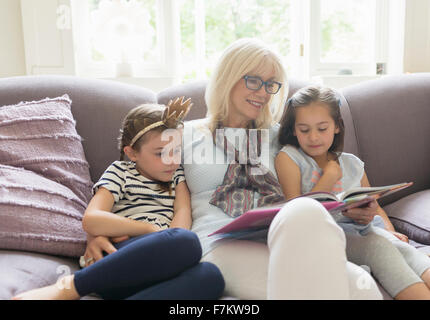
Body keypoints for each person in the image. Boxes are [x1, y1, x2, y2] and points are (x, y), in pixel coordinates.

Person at [84, 38, 383, 300]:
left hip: (280, 235)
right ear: (228, 77)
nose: (263, 92)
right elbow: (134, 180)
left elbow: (314, 190)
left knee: (364, 287)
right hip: (217, 242)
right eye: (253, 80)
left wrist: (352, 211)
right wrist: (97, 236)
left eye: (270, 84)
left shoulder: (284, 137)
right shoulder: (183, 134)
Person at [12, 97, 224, 300]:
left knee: (210, 276)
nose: (172, 160)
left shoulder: (177, 175)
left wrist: (167, 239)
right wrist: (149, 230)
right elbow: (92, 219)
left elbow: (182, 212)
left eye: (177, 151)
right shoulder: (120, 172)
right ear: (132, 153)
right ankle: (70, 287)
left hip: (159, 265)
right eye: (161, 153)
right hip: (118, 262)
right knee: (185, 241)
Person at [275, 84, 430, 299]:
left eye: (322, 129)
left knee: (406, 250)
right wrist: (329, 177)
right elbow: (295, 213)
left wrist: (389, 228)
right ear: (293, 130)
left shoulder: (352, 164)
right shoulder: (290, 158)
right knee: (378, 246)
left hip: (367, 229)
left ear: (337, 126)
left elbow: (373, 204)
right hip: (330, 236)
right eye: (304, 130)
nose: (313, 137)